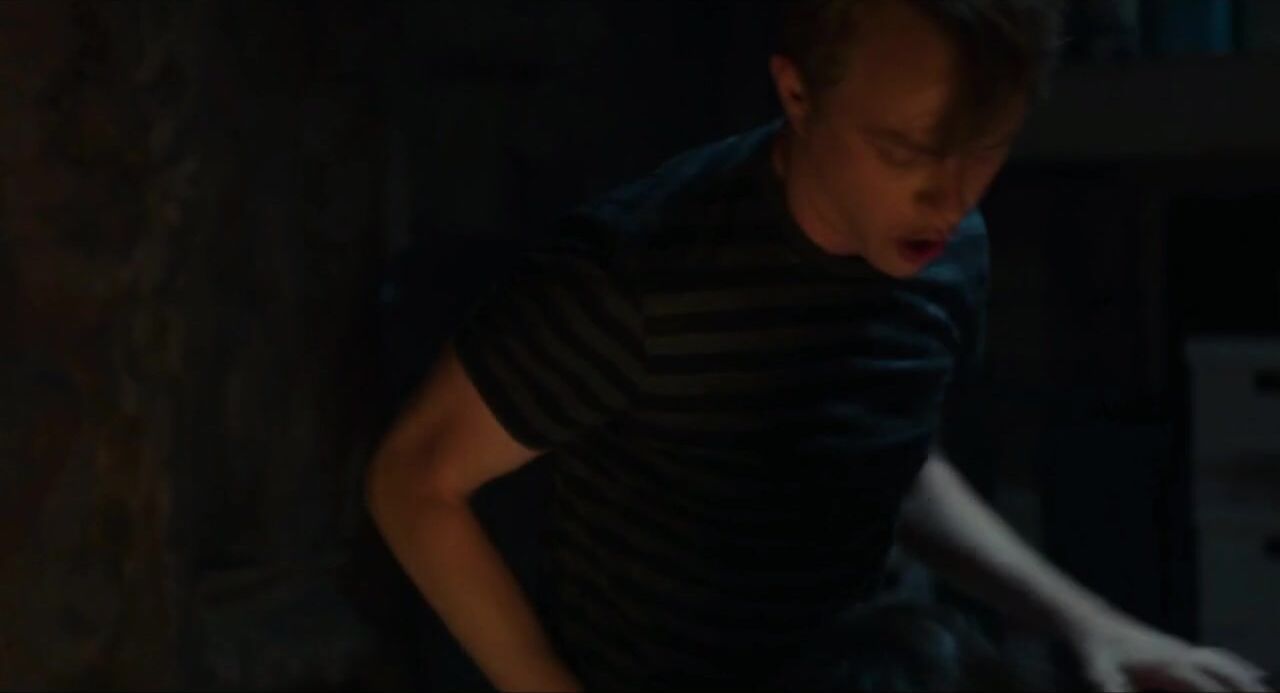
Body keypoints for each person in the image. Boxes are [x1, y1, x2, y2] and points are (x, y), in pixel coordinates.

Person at [366, 1, 1274, 690]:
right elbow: (414, 478)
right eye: (904, 150)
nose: (947, 196)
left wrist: (1090, 621)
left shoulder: (951, 253)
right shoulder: (636, 277)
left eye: (984, 145)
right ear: (799, 95)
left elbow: (885, 451)